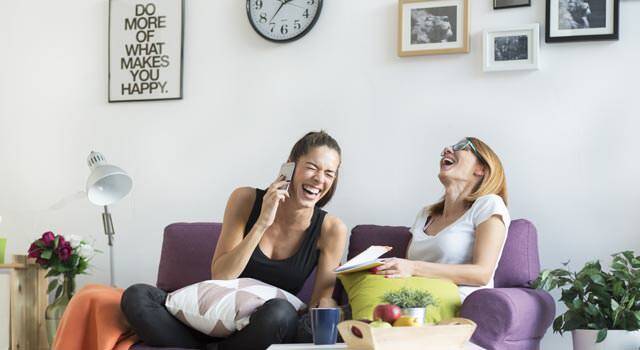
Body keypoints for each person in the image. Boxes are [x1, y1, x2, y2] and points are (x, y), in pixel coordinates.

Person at [121, 131, 348, 350]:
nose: (319, 179)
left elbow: (316, 311)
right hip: (212, 319)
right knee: (137, 296)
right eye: (311, 167)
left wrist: (329, 305)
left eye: (329, 173)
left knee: (280, 313)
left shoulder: (331, 229)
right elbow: (222, 275)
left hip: (264, 325)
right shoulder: (245, 199)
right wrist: (262, 223)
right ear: (289, 166)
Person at [373, 137, 510, 301]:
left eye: (461, 146)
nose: (446, 150)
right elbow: (406, 271)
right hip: (416, 300)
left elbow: (482, 274)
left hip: (457, 304)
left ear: (481, 168)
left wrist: (414, 267)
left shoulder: (489, 204)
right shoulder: (425, 214)